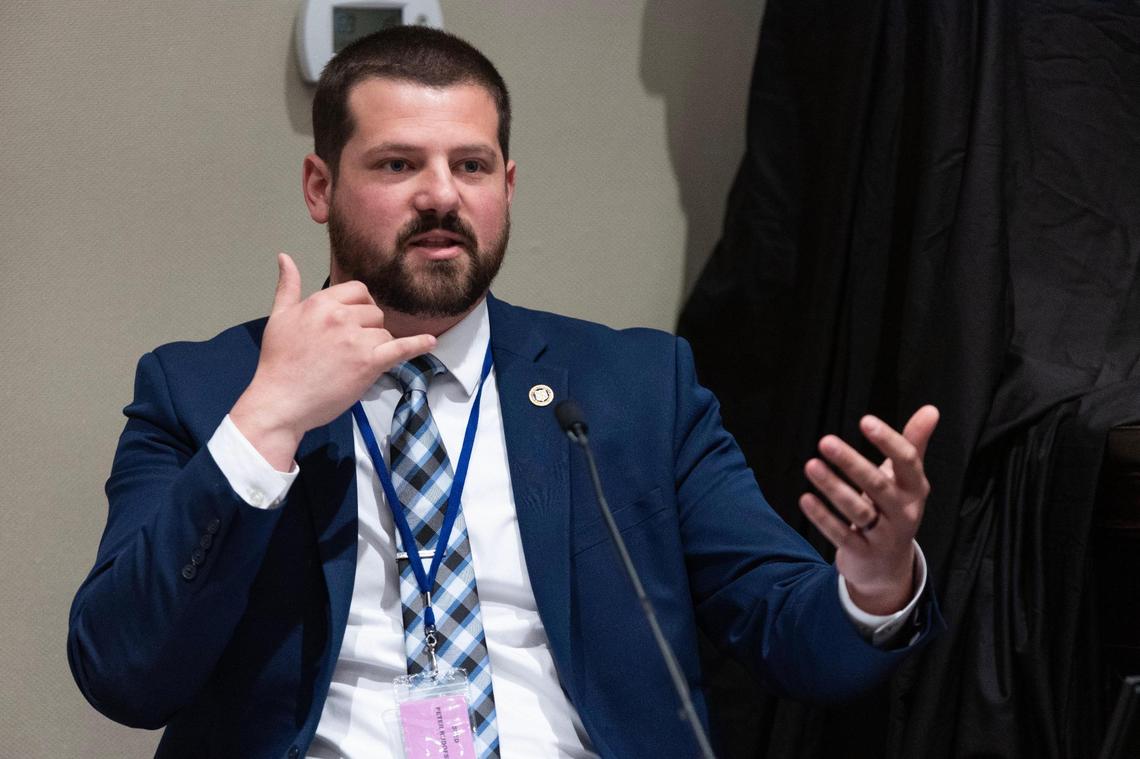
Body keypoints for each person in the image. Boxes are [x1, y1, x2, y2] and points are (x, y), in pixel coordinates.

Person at [68, 25, 942, 759]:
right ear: (320, 187)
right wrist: (269, 420)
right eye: (399, 163)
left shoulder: (636, 388)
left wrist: (874, 583)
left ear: (509, 188)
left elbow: (795, 636)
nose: (442, 194)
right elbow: (123, 671)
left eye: (473, 166)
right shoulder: (204, 390)